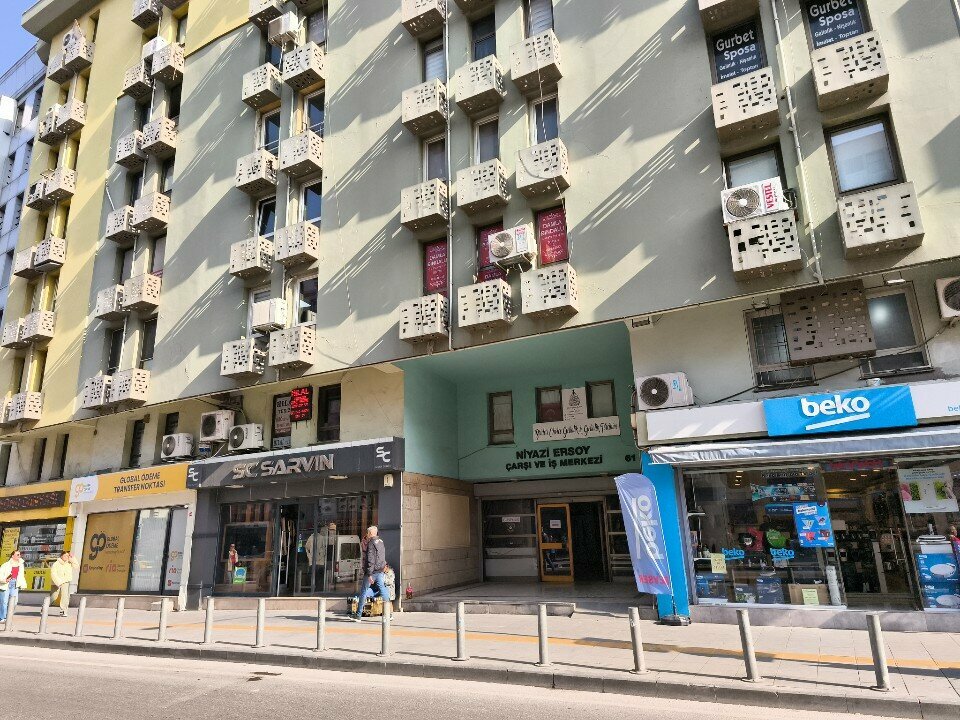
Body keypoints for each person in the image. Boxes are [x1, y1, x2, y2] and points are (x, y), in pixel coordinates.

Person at [352, 526, 389, 622]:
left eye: (368, 533)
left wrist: (369, 574)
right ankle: (389, 614)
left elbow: (370, 560)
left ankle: (358, 615)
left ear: (370, 533)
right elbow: (382, 557)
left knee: (363, 592)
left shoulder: (371, 543)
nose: (367, 535)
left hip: (372, 572)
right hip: (380, 570)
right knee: (383, 590)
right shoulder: (381, 542)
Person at [0, 550, 27, 623]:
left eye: (19, 555)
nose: (19, 556)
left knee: (14, 602)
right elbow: (0, 574)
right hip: (6, 583)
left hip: (15, 583)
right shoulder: (5, 565)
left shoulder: (21, 565)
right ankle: (2, 618)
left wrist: (23, 584)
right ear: (12, 556)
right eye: (17, 555)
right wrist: (4, 580)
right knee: (4, 602)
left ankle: (8, 616)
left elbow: (21, 576)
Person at [50, 551, 78, 616]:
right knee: (53, 597)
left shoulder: (69, 562)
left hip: (65, 581)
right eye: (65, 556)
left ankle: (63, 611)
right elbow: (53, 574)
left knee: (65, 597)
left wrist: (72, 557)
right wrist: (58, 582)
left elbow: (76, 566)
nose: (66, 557)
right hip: (56, 582)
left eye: (68, 556)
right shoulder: (56, 564)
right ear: (61, 556)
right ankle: (44, 607)